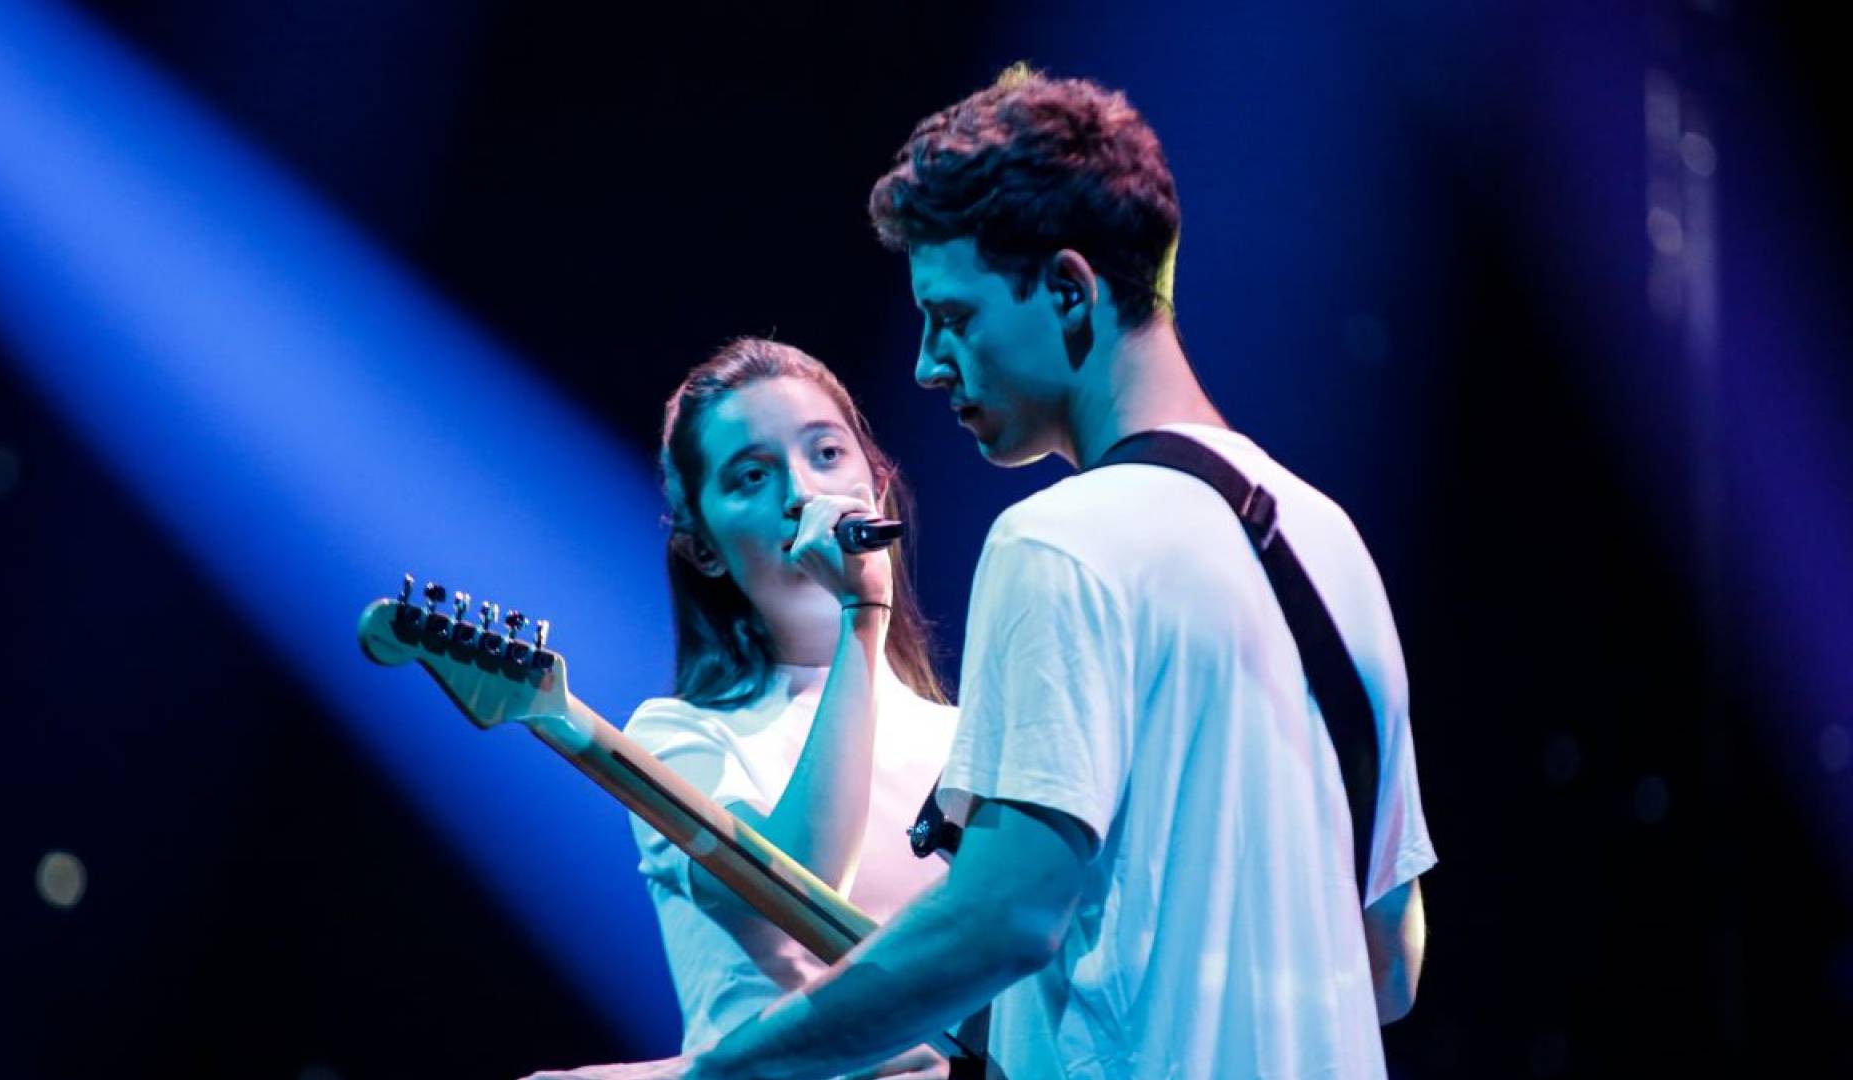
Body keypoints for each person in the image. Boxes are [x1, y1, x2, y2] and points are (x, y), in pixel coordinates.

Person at [538, 67, 1435, 1080]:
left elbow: (1003, 922)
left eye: (954, 317)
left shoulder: (1059, 542)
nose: (928, 364)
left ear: (1068, 291)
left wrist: (714, 1074)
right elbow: (1388, 966)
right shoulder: (1330, 546)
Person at [615, 337, 958, 1079]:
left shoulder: (966, 739)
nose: (802, 495)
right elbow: (799, 889)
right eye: (752, 476)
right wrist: (862, 617)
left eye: (826, 453)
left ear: (877, 488)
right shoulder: (679, 740)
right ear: (704, 548)